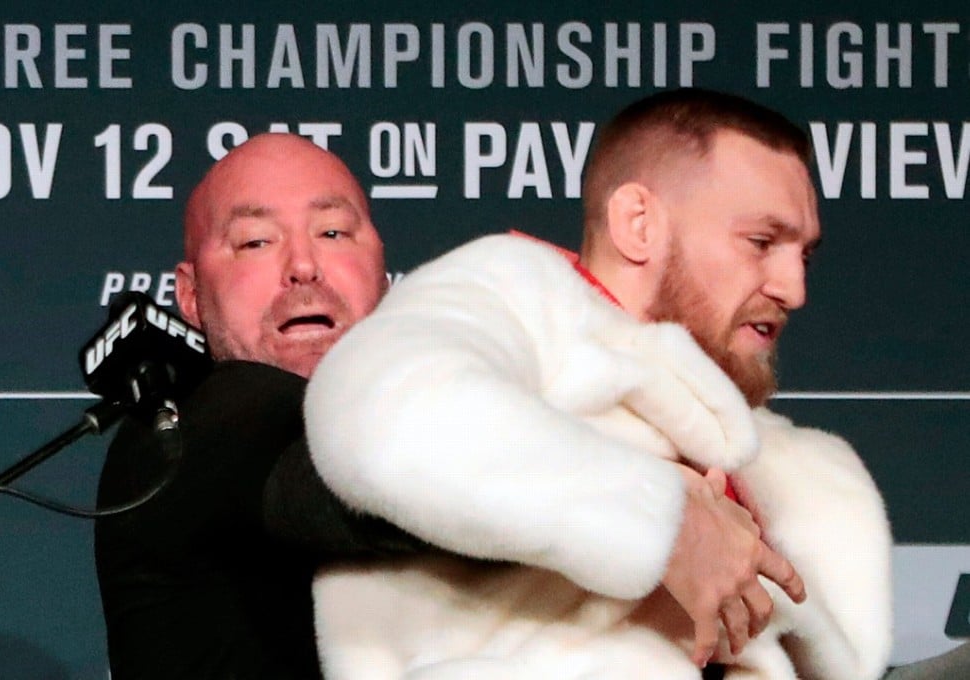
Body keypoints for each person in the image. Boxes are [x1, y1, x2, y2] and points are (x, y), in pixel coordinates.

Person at [303, 89, 892, 678]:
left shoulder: (805, 480)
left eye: (804, 257)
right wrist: (671, 526)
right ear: (639, 224)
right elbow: (387, 410)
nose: (793, 290)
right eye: (761, 243)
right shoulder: (518, 295)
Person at [94, 132, 425, 679]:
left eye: (333, 232)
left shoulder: (409, 416)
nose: (303, 266)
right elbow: (430, 504)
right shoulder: (196, 424)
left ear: (383, 276)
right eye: (255, 242)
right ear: (191, 295)